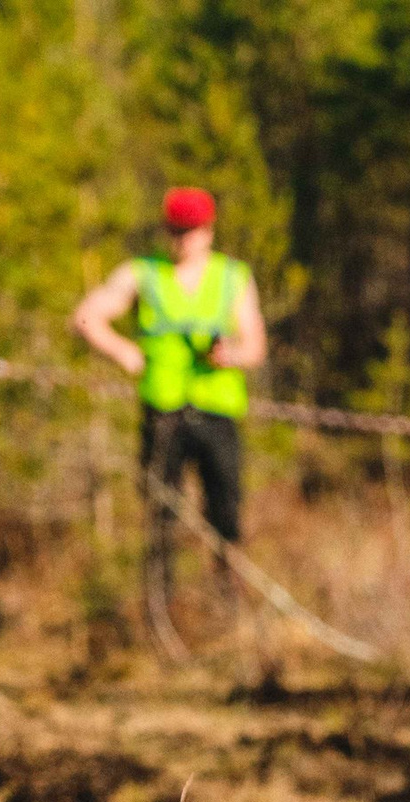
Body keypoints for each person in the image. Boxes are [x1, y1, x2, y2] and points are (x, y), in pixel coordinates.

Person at [72, 187, 268, 655]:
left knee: (225, 515)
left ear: (209, 230)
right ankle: (161, 623)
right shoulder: (142, 274)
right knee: (161, 516)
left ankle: (227, 614)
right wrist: (123, 351)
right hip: (162, 413)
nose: (183, 239)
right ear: (166, 230)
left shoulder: (232, 277)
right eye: (176, 230)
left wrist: (230, 355)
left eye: (192, 230)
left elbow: (255, 347)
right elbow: (86, 317)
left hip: (218, 412)